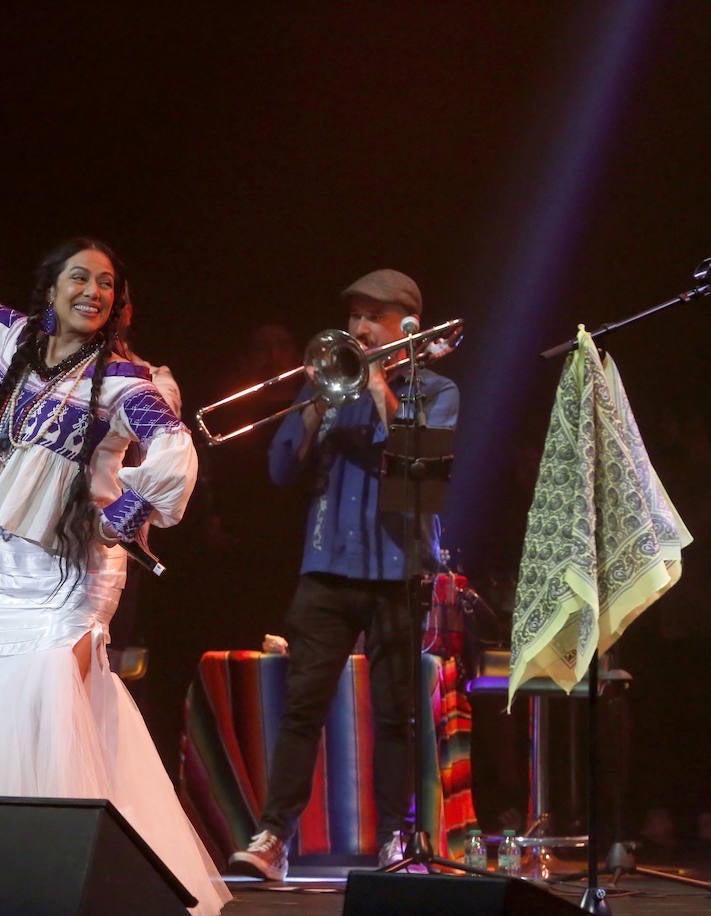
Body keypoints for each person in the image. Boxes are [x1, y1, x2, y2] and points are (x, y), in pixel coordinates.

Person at [0, 177, 229, 915]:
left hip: (73, 576)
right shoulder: (17, 344)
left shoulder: (126, 380)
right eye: (79, 277)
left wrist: (133, 510)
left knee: (49, 701)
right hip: (5, 571)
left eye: (107, 283)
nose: (93, 290)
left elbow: (176, 451)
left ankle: (63, 882)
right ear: (50, 288)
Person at [228, 269, 460, 879]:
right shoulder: (328, 389)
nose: (358, 328)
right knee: (302, 706)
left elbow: (418, 473)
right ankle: (273, 837)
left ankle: (395, 840)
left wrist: (378, 384)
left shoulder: (436, 391)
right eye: (355, 315)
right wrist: (309, 411)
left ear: (407, 325)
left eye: (373, 317)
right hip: (325, 570)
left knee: (395, 715)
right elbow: (280, 471)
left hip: (398, 572)